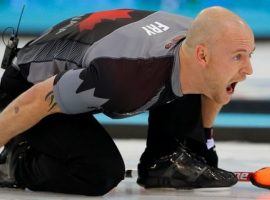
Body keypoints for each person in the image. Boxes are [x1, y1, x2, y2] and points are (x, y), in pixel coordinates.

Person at [0, 6, 255, 195]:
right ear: (202, 55)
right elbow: (36, 101)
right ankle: (16, 162)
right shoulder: (120, 77)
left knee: (198, 126)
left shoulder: (200, 40)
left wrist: (204, 141)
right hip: (24, 87)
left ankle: (162, 162)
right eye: (238, 57)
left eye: (249, 56)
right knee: (99, 172)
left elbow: (216, 86)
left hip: (101, 67)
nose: (249, 69)